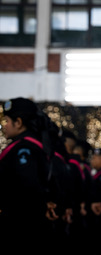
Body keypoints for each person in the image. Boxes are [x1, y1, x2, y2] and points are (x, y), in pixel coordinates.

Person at [0, 97, 54, 253]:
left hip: (20, 224)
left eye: (7, 121)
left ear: (18, 122)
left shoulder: (24, 148)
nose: (4, 126)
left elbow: (28, 186)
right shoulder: (34, 144)